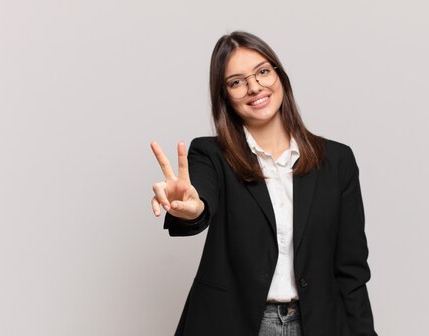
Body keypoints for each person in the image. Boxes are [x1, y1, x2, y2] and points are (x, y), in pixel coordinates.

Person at [150, 31, 377, 336]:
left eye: (262, 72)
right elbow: (200, 200)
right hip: (235, 324)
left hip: (317, 324)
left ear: (279, 75)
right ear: (225, 97)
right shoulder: (210, 154)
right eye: (236, 81)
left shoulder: (337, 161)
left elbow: (351, 271)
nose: (254, 86)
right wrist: (189, 208)